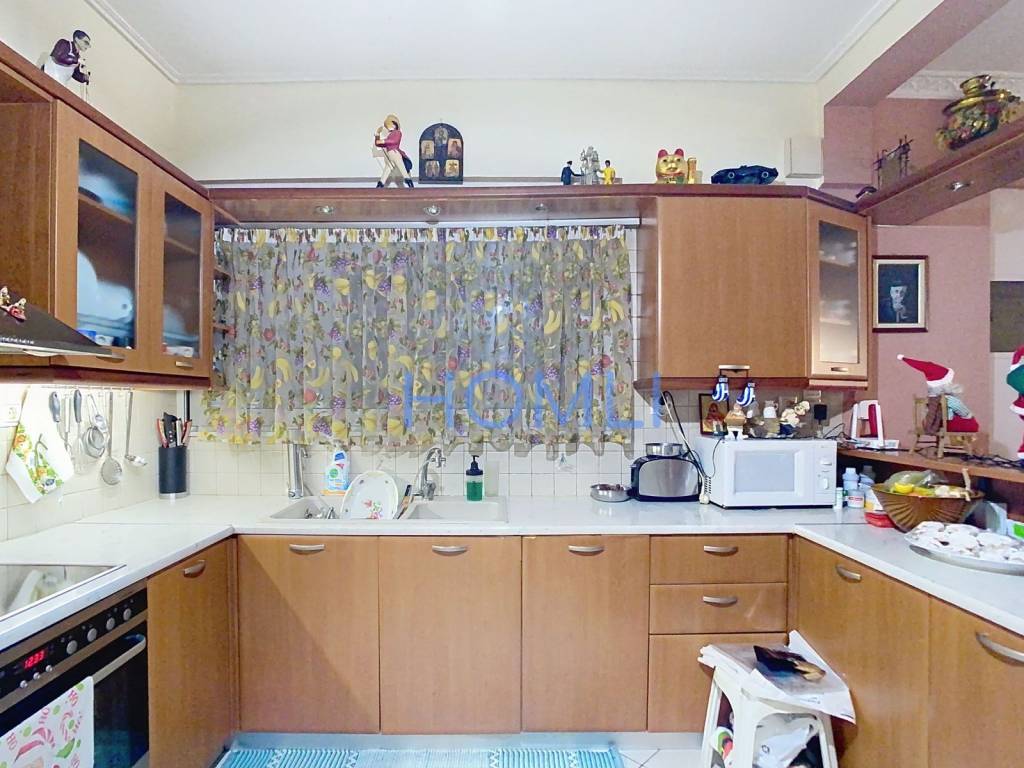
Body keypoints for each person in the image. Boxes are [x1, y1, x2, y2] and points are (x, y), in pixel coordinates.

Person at [374, 115, 414, 188]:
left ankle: (410, 183)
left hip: (394, 153)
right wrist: (377, 134)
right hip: (390, 154)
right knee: (388, 169)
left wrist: (383, 141)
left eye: (390, 124)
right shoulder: (390, 135)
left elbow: (394, 141)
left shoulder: (397, 132)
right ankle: (381, 183)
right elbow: (378, 144)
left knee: (402, 168)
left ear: (394, 124)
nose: (388, 127)